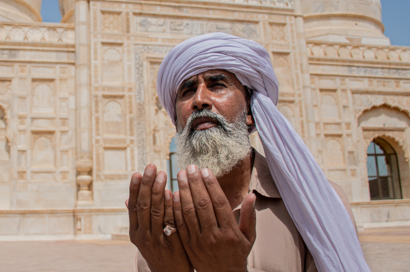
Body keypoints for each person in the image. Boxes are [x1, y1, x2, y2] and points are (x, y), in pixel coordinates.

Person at [127, 33, 369, 272]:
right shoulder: (163, 229)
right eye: (187, 91)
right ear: (177, 122)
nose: (199, 100)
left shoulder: (314, 202)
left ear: (252, 110)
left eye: (217, 86)